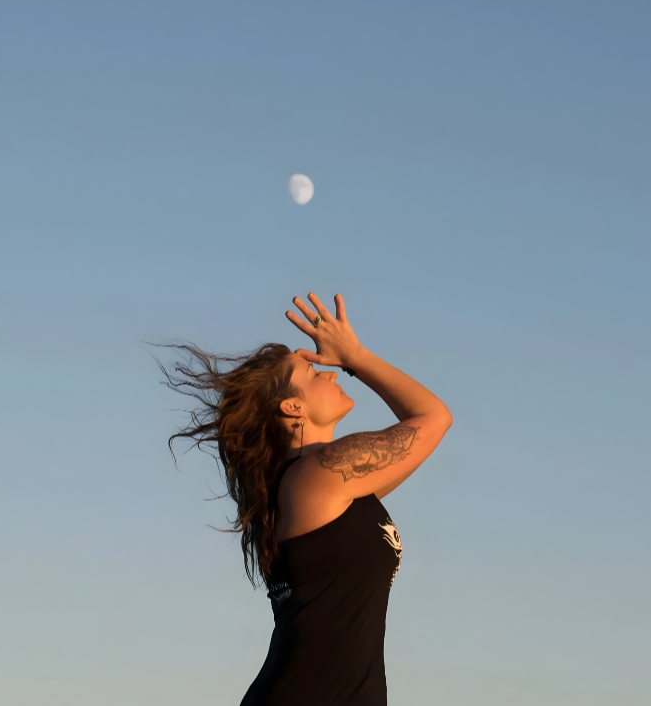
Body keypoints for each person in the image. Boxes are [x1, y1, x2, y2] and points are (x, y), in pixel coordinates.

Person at [163, 292, 453, 705]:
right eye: (313, 372)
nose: (330, 374)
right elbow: (433, 418)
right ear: (292, 406)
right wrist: (354, 356)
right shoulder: (322, 474)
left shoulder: (320, 484)